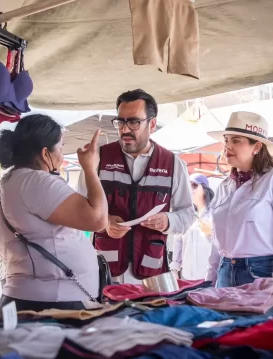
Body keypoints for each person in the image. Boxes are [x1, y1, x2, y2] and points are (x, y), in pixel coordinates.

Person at [0, 114, 107, 312]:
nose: (61, 156)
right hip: (51, 304)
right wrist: (90, 168)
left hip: (24, 298)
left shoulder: (4, 186)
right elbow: (98, 219)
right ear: (45, 153)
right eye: (60, 148)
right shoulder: (36, 182)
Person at [77, 89, 194, 284]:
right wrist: (104, 221)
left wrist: (168, 220)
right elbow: (78, 209)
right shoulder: (98, 159)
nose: (125, 129)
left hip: (152, 276)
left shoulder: (172, 164)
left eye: (133, 122)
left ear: (153, 124)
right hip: (105, 273)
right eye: (120, 122)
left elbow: (188, 214)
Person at [205, 111, 273, 287]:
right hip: (224, 270)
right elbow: (216, 239)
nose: (227, 146)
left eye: (236, 141)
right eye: (226, 140)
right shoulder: (224, 185)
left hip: (261, 271)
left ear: (256, 147)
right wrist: (209, 279)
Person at [170, 173, 215, 280]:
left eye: (194, 185)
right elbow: (178, 242)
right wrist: (174, 269)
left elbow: (223, 243)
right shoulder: (185, 216)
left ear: (204, 189)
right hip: (186, 276)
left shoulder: (215, 215)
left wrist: (212, 231)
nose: (190, 189)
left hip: (208, 276)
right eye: (188, 186)